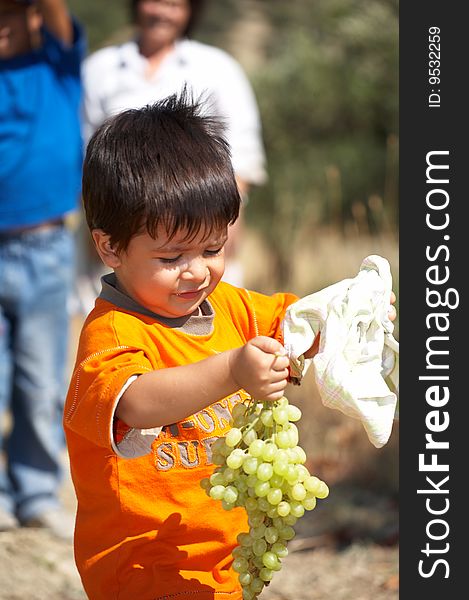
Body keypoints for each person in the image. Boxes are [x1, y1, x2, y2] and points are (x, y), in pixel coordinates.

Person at [64, 92, 299, 599]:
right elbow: (136, 401)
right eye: (172, 256)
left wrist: (352, 313)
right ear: (110, 247)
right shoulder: (112, 331)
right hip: (146, 569)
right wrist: (235, 369)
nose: (197, 271)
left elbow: (298, 323)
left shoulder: (233, 306)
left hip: (225, 566)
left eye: (213, 248)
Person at [79, 0, 266, 303]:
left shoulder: (218, 68)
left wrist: (220, 233)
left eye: (174, 4)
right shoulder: (98, 70)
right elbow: (83, 152)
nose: (162, 12)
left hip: (202, 213)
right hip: (125, 228)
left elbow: (242, 157)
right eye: (155, 1)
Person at [0, 0, 85, 537]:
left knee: (40, 381)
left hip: (47, 248)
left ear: (34, 15)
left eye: (9, 14)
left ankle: (35, 493)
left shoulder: (59, 60)